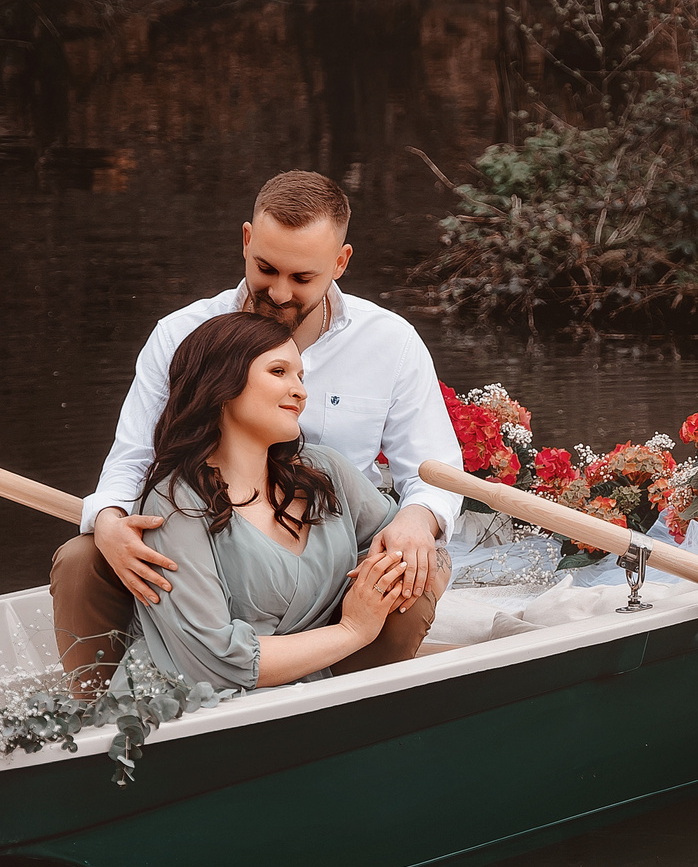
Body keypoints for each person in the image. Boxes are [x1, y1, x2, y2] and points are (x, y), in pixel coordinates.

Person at [53, 169, 462, 692]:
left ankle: (345, 707)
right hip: (210, 538)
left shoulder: (390, 342)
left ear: (340, 263)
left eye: (302, 278)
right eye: (265, 268)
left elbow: (434, 471)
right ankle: (93, 723)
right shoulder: (182, 335)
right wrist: (108, 519)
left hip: (328, 550)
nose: (278, 292)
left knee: (413, 571)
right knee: (82, 557)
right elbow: (133, 457)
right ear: (246, 240)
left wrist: (415, 522)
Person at [108, 310, 443, 697]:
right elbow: (217, 662)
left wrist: (403, 551)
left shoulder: (326, 471)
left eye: (301, 376)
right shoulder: (175, 505)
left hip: (320, 691)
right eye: (279, 372)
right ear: (222, 383)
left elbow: (411, 548)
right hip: (190, 714)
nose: (301, 391)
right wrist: (353, 630)